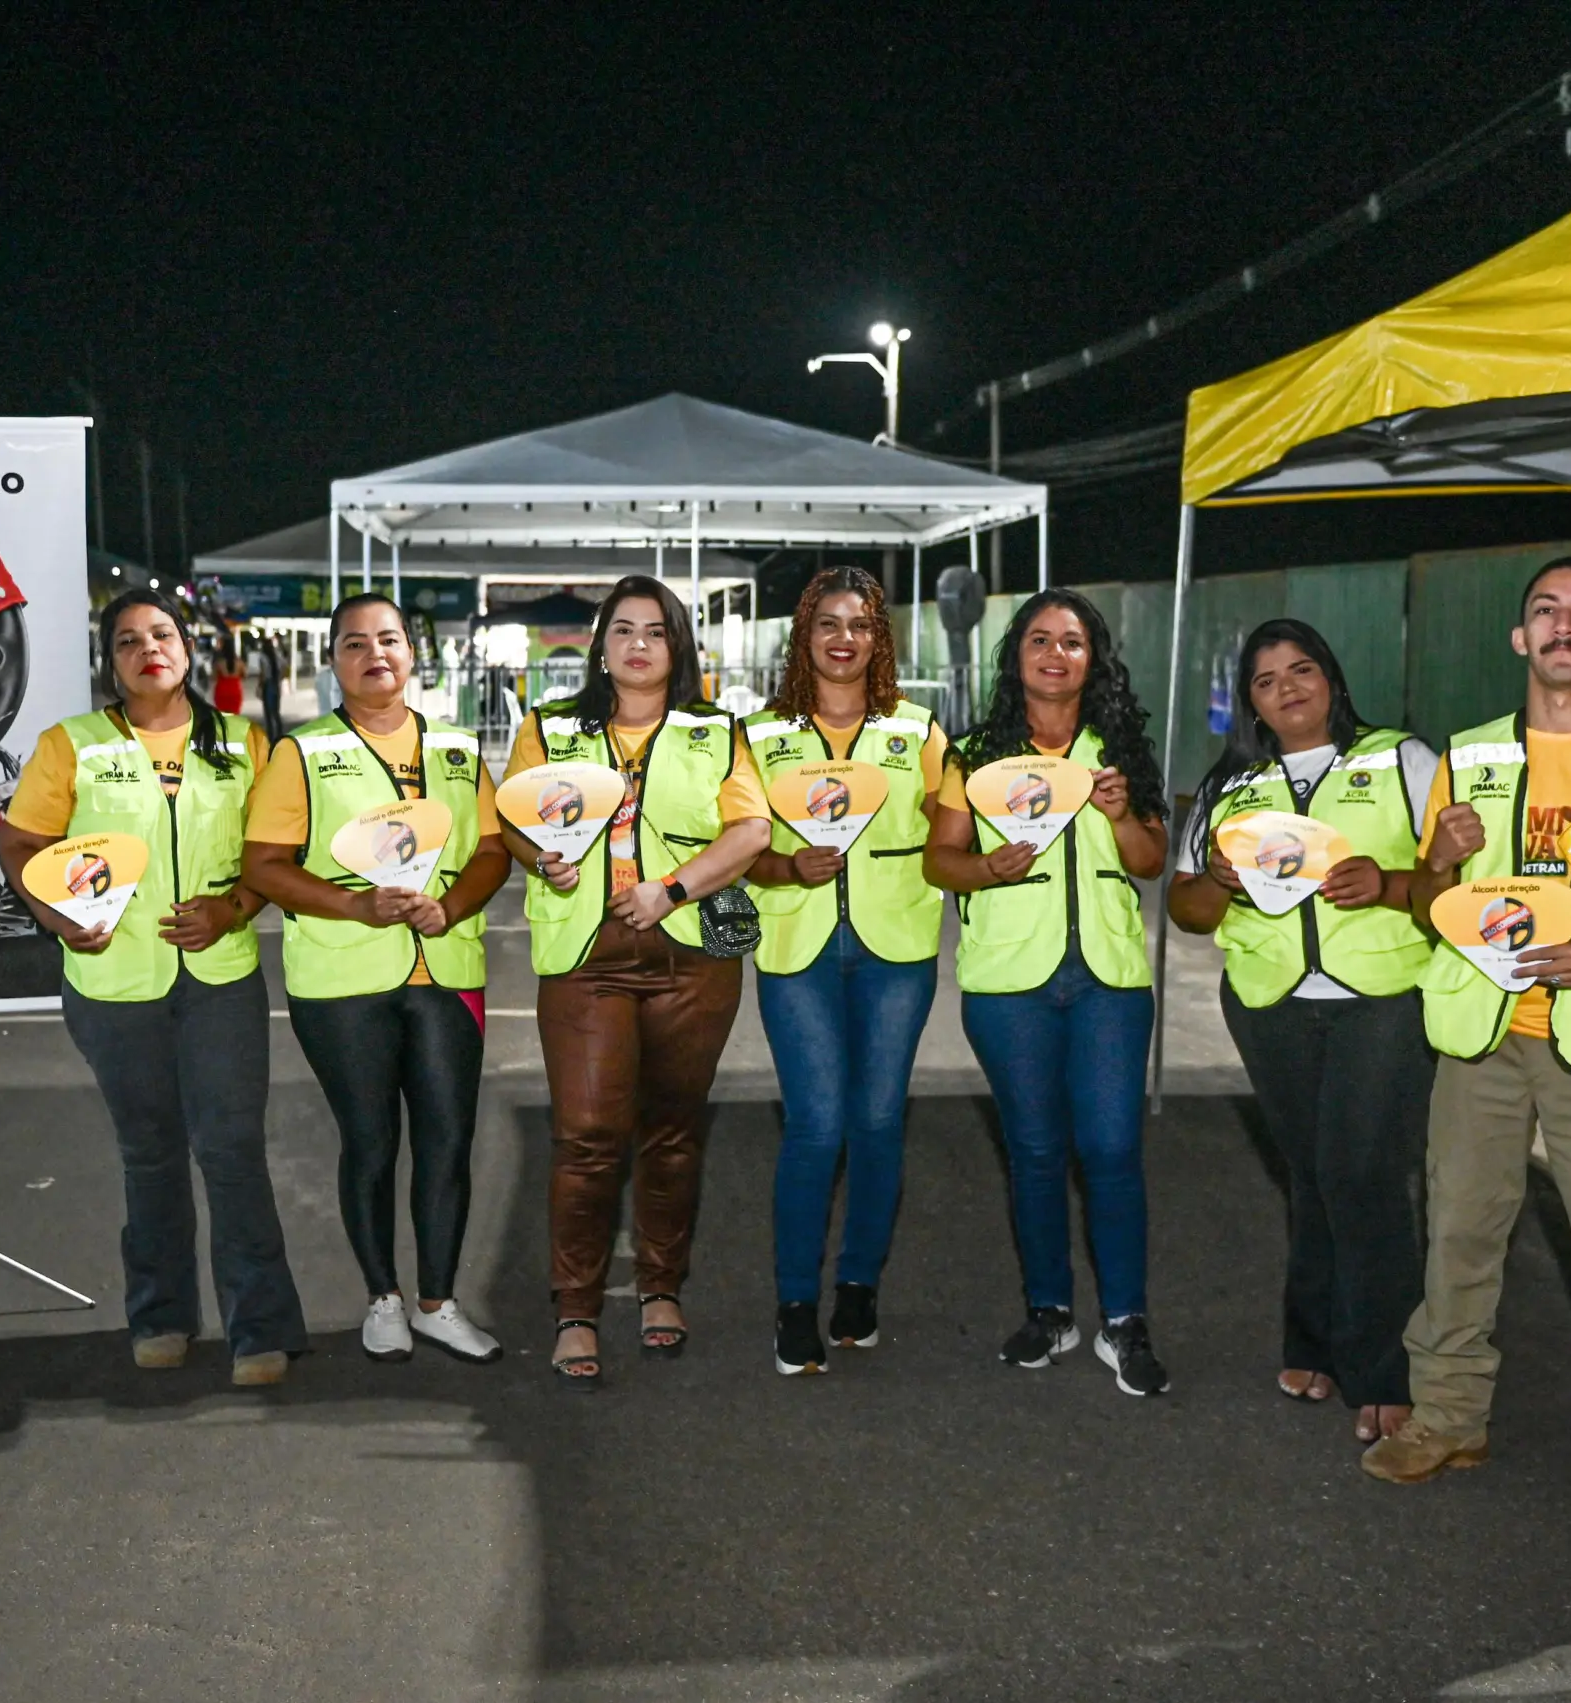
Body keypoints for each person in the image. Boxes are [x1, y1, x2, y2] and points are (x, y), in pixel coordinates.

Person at [1363, 559, 1571, 1548]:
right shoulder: (1471, 753)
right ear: (1518, 637)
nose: (1564, 625)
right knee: (1457, 1233)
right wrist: (1440, 862)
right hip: (1481, 1037)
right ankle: (1448, 1418)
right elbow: (1424, 899)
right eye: (1545, 609)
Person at [0, 588, 308, 1387]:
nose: (148, 649)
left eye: (161, 634)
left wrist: (235, 906)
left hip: (220, 978)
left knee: (233, 1150)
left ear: (188, 647)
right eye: (128, 639)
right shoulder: (72, 744)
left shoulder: (247, 743)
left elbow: (274, 855)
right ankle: (161, 1314)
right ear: (112, 661)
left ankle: (260, 1330)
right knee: (151, 1154)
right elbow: (21, 841)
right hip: (112, 981)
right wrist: (57, 916)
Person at [1170, 619, 1438, 1443]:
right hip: (1269, 1000)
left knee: (1367, 1171)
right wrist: (1215, 879)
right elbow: (1185, 910)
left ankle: (1387, 1368)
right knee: (1313, 1173)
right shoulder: (1228, 787)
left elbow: (1454, 883)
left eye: (1302, 669)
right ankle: (1313, 1340)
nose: (1287, 687)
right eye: (1265, 679)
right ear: (1248, 701)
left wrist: (1391, 881)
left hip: (1384, 998)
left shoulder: (1404, 759)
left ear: (1332, 677)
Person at [500, 575, 770, 1389]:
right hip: (587, 955)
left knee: (673, 1128)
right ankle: (576, 1305)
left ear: (678, 646)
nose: (640, 645)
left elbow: (752, 828)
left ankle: (660, 1285)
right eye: (623, 630)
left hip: (690, 954)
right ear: (602, 646)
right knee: (586, 1133)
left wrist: (674, 888)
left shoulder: (718, 731)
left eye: (656, 631)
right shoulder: (548, 729)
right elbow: (511, 819)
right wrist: (534, 855)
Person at [242, 592, 510, 1365]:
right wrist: (355, 906)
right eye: (354, 643)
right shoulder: (301, 752)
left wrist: (451, 905)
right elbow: (264, 865)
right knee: (370, 1141)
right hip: (341, 976)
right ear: (334, 661)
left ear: (412, 653)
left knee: (449, 1140)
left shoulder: (457, 748)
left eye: (388, 639)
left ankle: (438, 1302)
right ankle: (382, 1299)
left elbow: (492, 848)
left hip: (446, 965)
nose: (374, 654)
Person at [926, 589, 1173, 1397]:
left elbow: (1149, 860)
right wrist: (985, 868)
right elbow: (940, 861)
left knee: (1110, 1149)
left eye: (1072, 640)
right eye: (1040, 638)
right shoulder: (972, 753)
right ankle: (1051, 1309)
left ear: (1093, 658)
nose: (1055, 653)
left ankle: (1126, 1321)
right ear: (1017, 656)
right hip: (1008, 981)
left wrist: (1122, 807)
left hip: (1108, 979)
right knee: (1033, 1151)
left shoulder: (1122, 748)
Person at [741, 567, 946, 1375]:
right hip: (799, 951)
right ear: (804, 634)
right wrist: (788, 868)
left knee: (879, 1120)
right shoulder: (758, 736)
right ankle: (795, 1299)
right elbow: (741, 853)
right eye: (828, 622)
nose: (843, 637)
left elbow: (955, 830)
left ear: (879, 638)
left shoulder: (920, 731)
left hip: (898, 950)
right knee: (816, 1123)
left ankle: (858, 1281)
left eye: (860, 624)